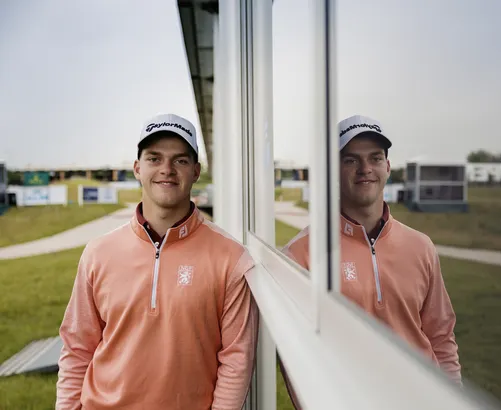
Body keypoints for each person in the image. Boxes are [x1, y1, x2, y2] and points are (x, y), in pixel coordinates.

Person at [56, 113, 259, 410]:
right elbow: (77, 347)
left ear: (196, 171)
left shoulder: (231, 258)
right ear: (138, 168)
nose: (167, 170)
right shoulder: (98, 253)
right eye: (154, 158)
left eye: (180, 160)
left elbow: (237, 360)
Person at [281, 114, 462, 407]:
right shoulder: (301, 254)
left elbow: (441, 337)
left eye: (375, 158)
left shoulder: (421, 247)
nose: (365, 168)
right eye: (351, 160)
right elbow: (295, 355)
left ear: (387, 167)